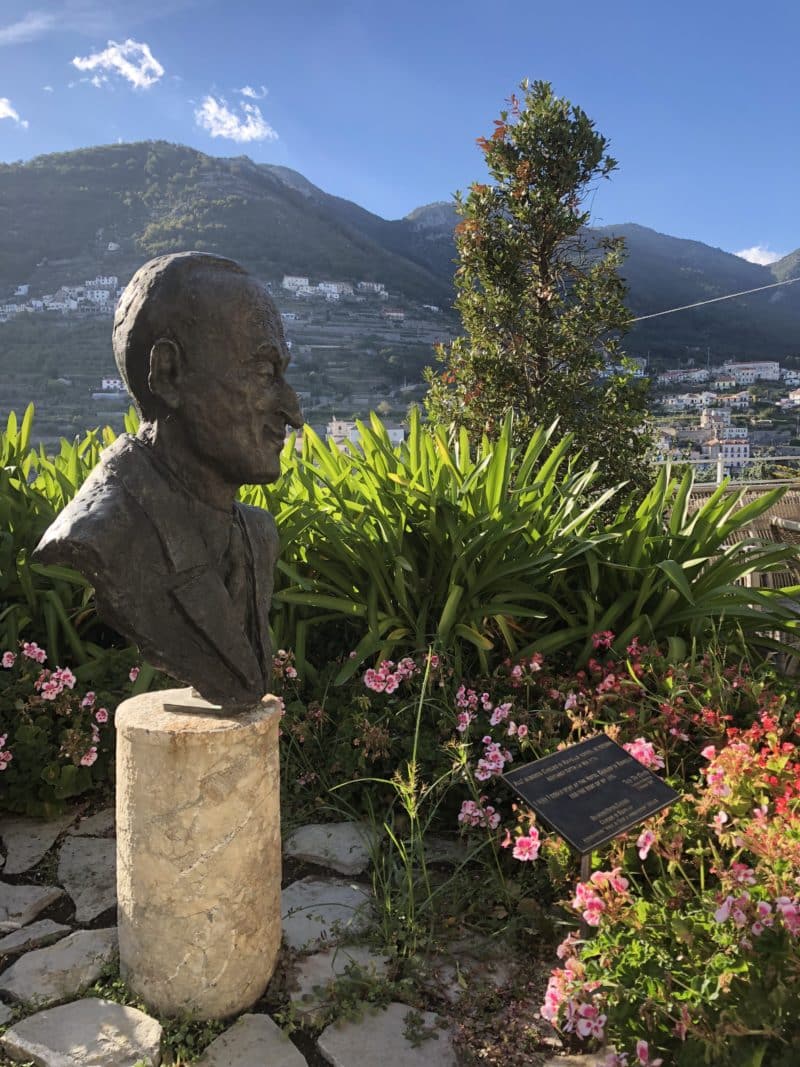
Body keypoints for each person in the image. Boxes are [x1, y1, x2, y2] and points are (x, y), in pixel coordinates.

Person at [35, 252, 303, 706]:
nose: (293, 412)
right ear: (169, 375)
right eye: (263, 373)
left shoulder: (258, 535)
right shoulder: (102, 533)